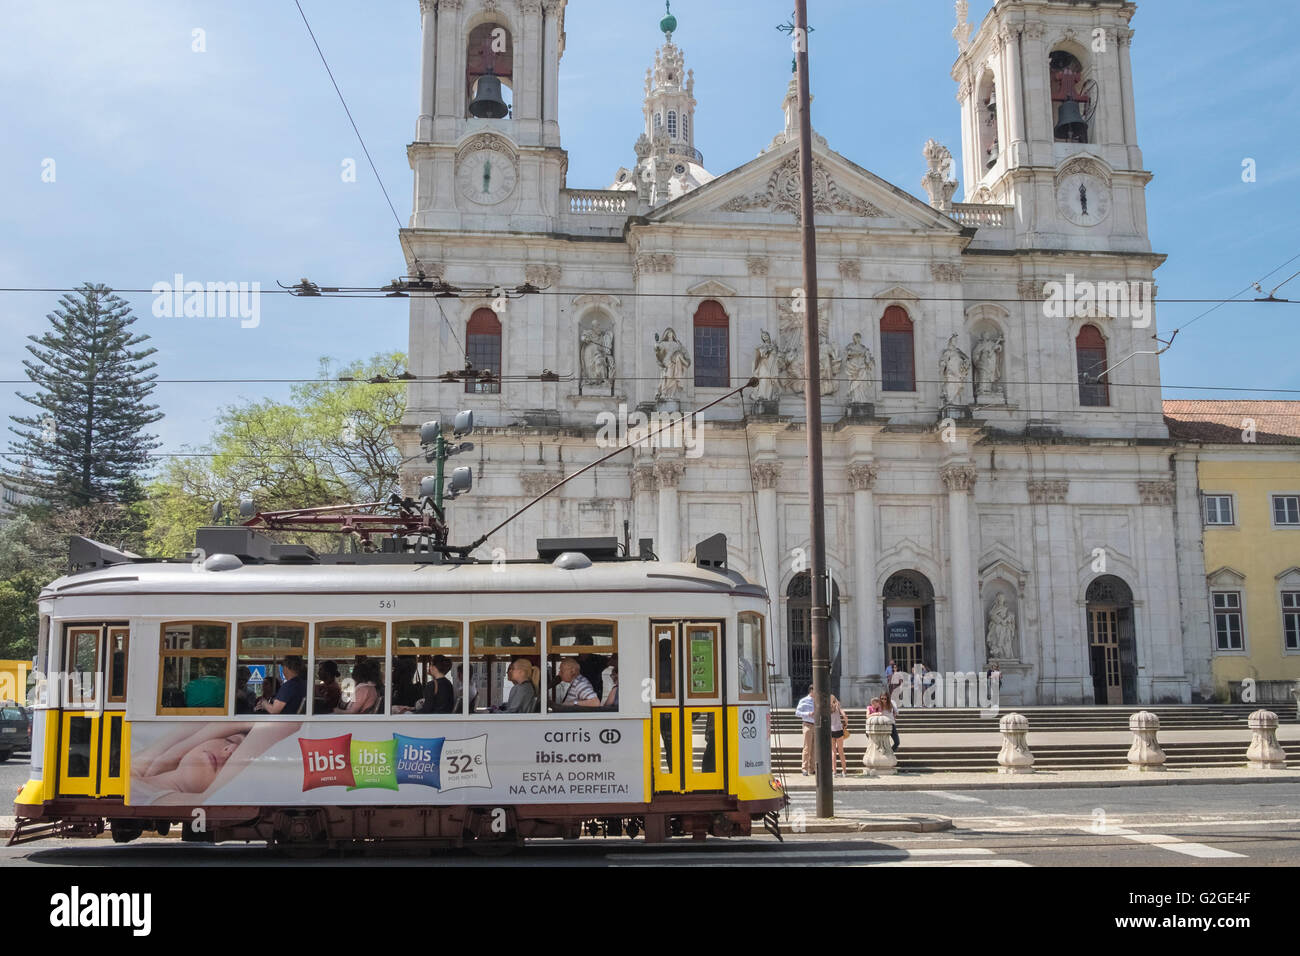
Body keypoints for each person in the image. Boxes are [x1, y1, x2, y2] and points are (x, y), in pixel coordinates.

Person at [795, 685, 815, 775]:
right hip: (807, 724)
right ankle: (804, 768)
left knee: (814, 748)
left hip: (816, 726)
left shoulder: (817, 701)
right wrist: (808, 714)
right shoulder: (804, 700)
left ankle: (812, 768)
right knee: (807, 747)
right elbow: (797, 713)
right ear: (811, 690)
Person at [830, 694, 848, 776]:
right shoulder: (838, 707)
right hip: (839, 729)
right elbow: (845, 716)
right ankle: (844, 771)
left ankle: (834, 772)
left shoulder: (827, 708)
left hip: (830, 730)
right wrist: (845, 724)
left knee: (833, 752)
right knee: (841, 751)